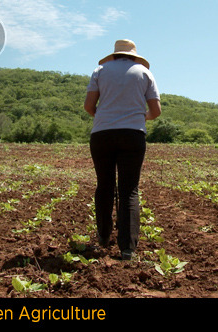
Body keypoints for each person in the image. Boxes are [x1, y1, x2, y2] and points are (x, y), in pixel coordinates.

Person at [84, 39, 161, 260]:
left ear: (115, 55)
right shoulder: (144, 73)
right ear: (134, 56)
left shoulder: (100, 70)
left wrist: (107, 118)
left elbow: (89, 106)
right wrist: (137, 116)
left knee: (105, 186)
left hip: (102, 135)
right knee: (129, 190)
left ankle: (103, 236)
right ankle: (127, 248)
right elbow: (155, 110)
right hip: (133, 134)